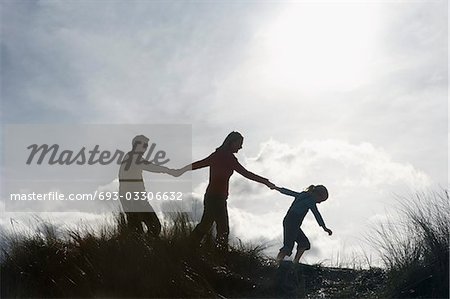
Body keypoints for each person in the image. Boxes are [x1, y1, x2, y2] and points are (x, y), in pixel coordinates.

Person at [179, 131, 275, 250]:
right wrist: (266, 182)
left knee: (207, 225)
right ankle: (218, 253)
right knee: (222, 229)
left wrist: (182, 170)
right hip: (215, 198)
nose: (241, 147)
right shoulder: (225, 157)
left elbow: (200, 164)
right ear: (231, 142)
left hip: (215, 197)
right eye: (239, 143)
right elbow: (246, 174)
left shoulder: (222, 156)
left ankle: (189, 246)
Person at [119, 135, 180, 236]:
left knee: (136, 230)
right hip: (134, 198)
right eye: (144, 145)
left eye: (146, 146)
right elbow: (151, 167)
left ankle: (140, 248)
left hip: (129, 197)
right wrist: (169, 171)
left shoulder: (129, 157)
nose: (146, 148)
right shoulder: (133, 158)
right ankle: (146, 247)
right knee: (154, 227)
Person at [274, 184, 332, 263]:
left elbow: (289, 192)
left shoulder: (302, 195)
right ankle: (276, 263)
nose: (319, 203)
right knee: (288, 246)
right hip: (292, 223)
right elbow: (316, 214)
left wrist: (276, 188)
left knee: (304, 243)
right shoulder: (310, 200)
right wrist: (324, 228)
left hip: (292, 223)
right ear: (317, 194)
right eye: (320, 200)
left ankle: (295, 262)